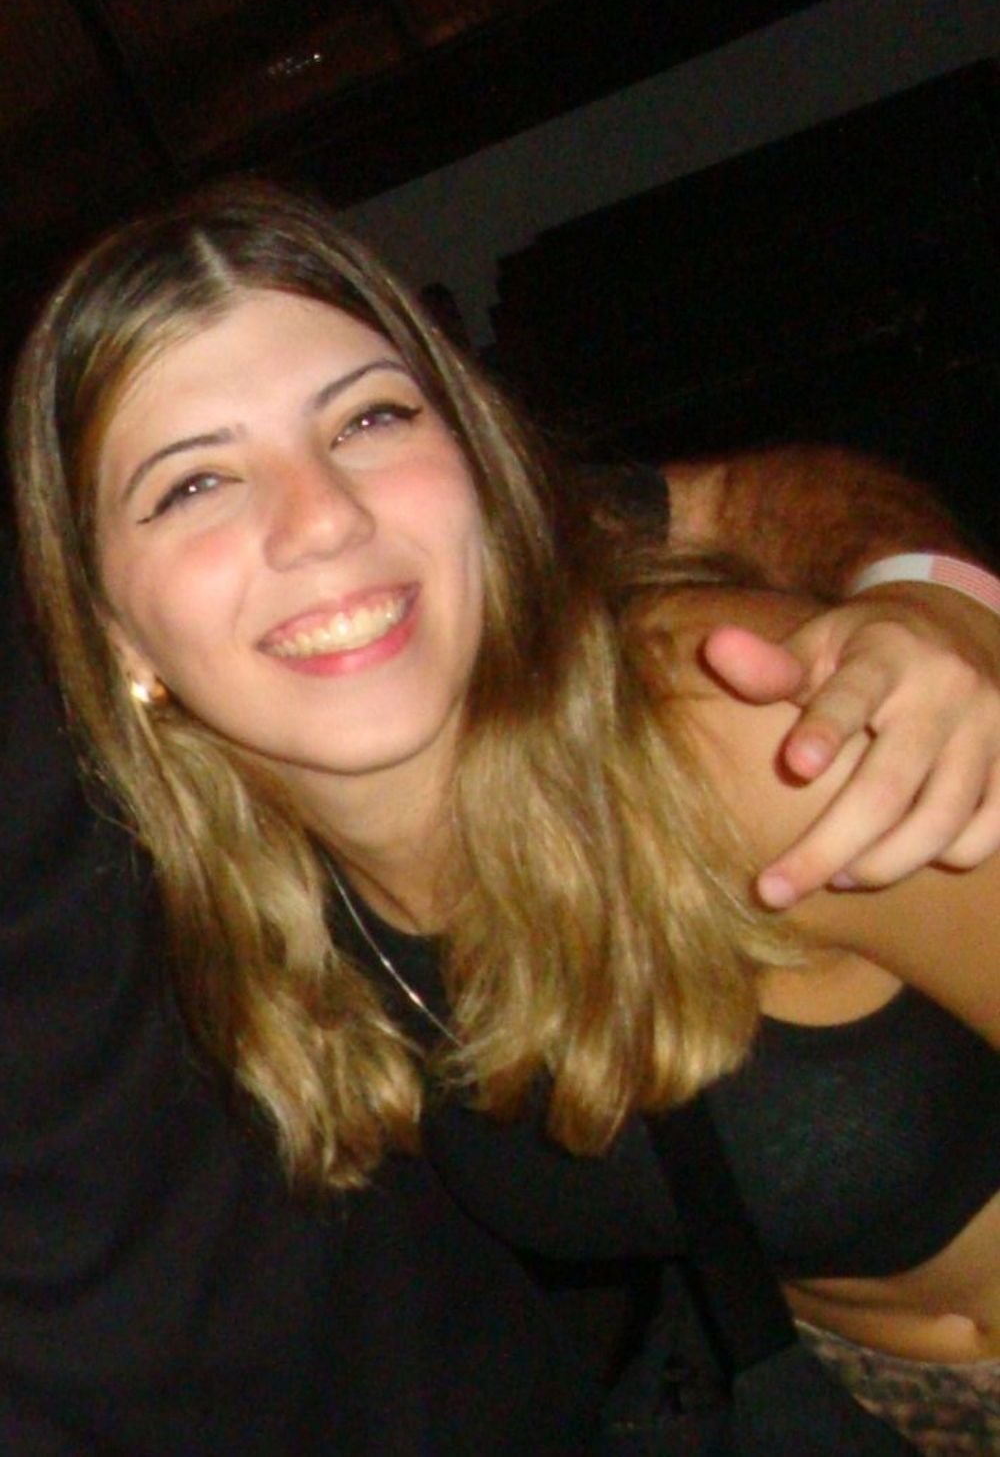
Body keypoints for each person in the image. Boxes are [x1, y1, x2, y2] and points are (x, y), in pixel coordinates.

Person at [4, 179, 997, 1453]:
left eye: (370, 418)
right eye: (194, 485)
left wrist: (936, 589)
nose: (323, 519)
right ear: (115, 638)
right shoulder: (277, 919)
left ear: (478, 465)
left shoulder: (737, 730)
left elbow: (759, 499)